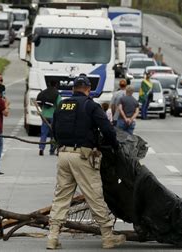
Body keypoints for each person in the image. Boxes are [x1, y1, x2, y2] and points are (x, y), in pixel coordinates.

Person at [47, 74, 125, 249]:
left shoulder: (62, 105)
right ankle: (107, 236)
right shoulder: (90, 106)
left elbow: (55, 129)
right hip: (83, 156)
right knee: (94, 195)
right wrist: (114, 146)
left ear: (73, 89)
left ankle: (52, 237)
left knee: (61, 197)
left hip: (63, 155)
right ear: (89, 89)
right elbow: (107, 128)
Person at [36, 80, 61, 156]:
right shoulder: (57, 94)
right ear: (56, 85)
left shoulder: (44, 93)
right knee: (53, 134)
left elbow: (40, 103)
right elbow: (59, 105)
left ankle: (41, 148)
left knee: (44, 133)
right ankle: (52, 150)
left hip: (44, 116)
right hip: (53, 117)